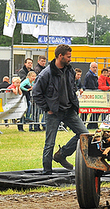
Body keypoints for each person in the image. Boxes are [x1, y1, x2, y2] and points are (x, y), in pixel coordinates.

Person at [33, 44, 88, 175]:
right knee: (49, 143)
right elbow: (36, 93)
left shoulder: (70, 71)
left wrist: (74, 104)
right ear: (60, 56)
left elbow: (72, 88)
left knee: (85, 135)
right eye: (68, 57)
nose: (70, 59)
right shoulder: (46, 73)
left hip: (69, 110)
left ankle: (61, 155)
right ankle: (47, 172)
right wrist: (47, 108)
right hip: (54, 112)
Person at [83, 61, 99, 129]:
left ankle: (91, 124)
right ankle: (86, 124)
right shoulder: (89, 75)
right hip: (89, 96)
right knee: (85, 111)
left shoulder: (93, 75)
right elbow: (92, 86)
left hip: (91, 95)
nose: (95, 69)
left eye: (96, 67)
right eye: (93, 67)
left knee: (88, 111)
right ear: (90, 67)